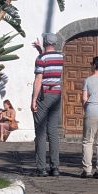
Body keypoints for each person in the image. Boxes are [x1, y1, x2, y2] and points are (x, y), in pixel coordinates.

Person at [31, 33, 64, 176]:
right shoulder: (60, 57)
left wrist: (33, 99)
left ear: (45, 42)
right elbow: (49, 60)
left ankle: (41, 167)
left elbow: (39, 79)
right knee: (53, 132)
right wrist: (40, 51)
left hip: (44, 94)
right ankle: (55, 167)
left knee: (40, 132)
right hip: (56, 94)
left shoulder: (41, 58)